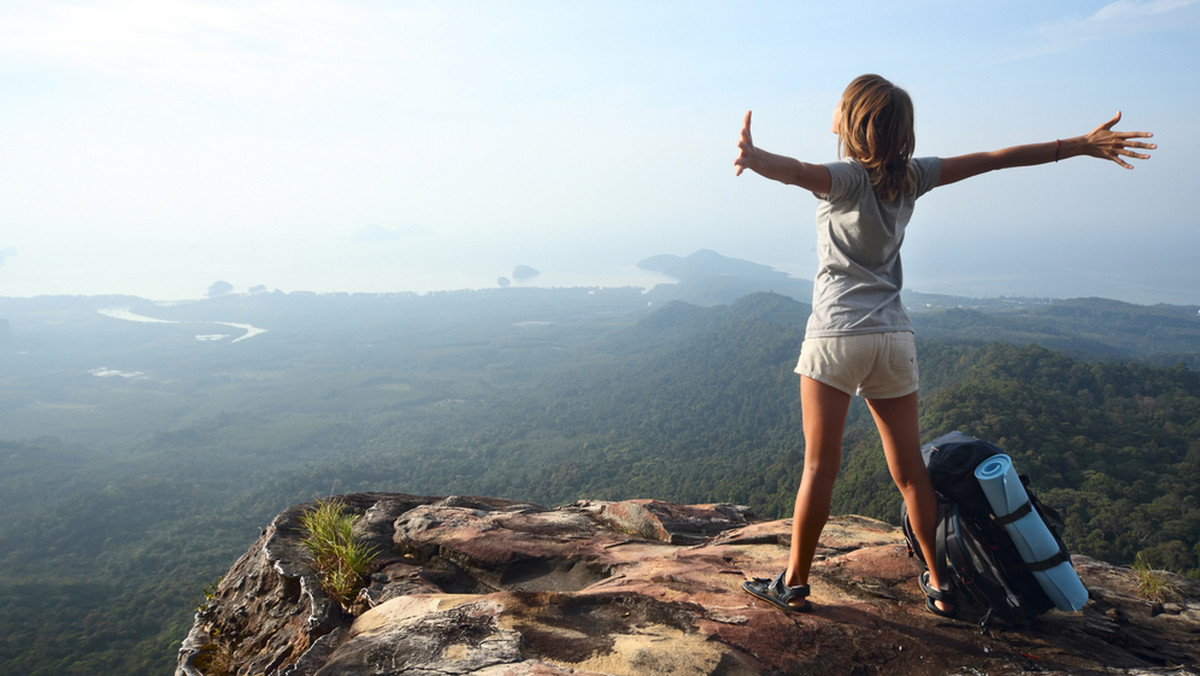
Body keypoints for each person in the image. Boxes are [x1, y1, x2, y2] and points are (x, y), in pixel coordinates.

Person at [734, 74, 1155, 616]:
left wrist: (756, 156)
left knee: (820, 467)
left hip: (837, 334)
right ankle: (940, 583)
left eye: (840, 109)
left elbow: (794, 172)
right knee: (910, 471)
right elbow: (995, 158)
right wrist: (1077, 145)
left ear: (853, 123)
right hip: (893, 337)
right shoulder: (913, 177)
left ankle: (793, 583)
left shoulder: (843, 178)